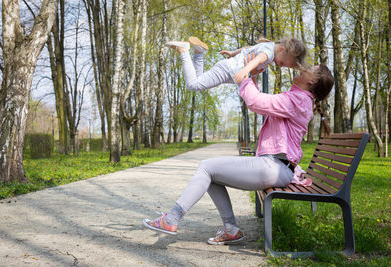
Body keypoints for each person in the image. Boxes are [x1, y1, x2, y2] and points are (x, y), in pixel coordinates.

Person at [142, 54, 334, 245]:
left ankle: (172, 219)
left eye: (311, 68)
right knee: (211, 173)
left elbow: (255, 102)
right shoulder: (297, 98)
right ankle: (230, 229)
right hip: (275, 166)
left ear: (312, 80)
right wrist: (254, 76)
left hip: (274, 167)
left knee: (206, 167)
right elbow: (260, 102)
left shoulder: (298, 100)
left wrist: (245, 74)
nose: (304, 67)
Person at [164, 36, 306, 91]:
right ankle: (184, 50)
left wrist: (233, 53)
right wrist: (245, 71)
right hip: (227, 70)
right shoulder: (268, 54)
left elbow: (247, 49)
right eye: (285, 63)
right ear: (282, 49)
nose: (282, 66)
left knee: (198, 79)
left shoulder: (268, 46)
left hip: (228, 71)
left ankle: (199, 53)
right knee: (193, 85)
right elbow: (257, 59)